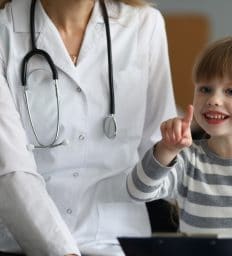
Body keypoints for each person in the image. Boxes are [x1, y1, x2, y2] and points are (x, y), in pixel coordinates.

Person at [0, 0, 177, 255]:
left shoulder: (144, 25)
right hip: (25, 244)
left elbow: (160, 150)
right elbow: (10, 167)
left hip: (118, 242)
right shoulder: (5, 29)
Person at [127, 36, 232, 238]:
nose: (214, 99)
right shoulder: (188, 159)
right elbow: (138, 191)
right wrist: (166, 150)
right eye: (205, 89)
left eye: (231, 91)